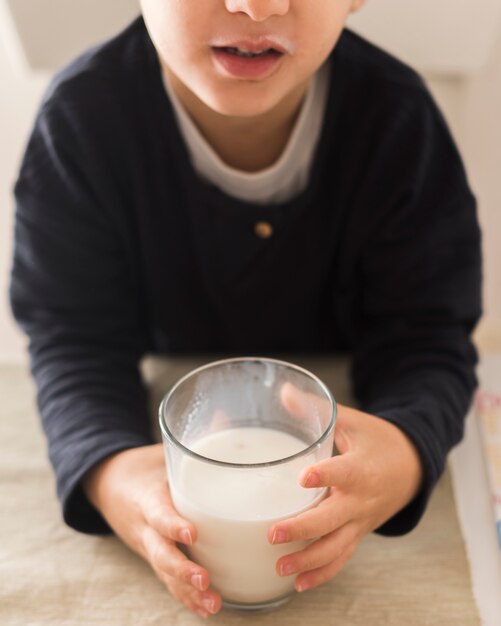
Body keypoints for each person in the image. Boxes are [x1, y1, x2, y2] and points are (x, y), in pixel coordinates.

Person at [9, 0, 482, 619]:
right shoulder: (82, 122)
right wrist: (111, 471)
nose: (256, 5)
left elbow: (429, 335)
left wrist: (404, 449)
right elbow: (72, 340)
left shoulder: (397, 121)